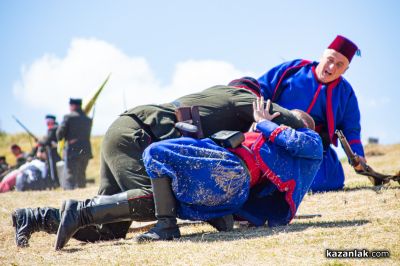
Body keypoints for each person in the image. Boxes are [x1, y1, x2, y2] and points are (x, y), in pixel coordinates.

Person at [13, 77, 301, 249]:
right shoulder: (240, 95)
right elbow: (292, 122)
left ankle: (36, 217)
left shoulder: (213, 104)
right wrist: (307, 138)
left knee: (110, 230)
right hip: (137, 137)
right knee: (160, 203)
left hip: (127, 132)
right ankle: (81, 210)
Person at [134, 98, 323, 242]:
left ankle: (166, 226)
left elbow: (293, 140)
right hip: (236, 191)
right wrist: (258, 128)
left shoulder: (311, 138)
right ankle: (217, 215)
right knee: (177, 196)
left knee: (156, 152)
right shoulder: (271, 142)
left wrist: (263, 122)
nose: (282, 121)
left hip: (233, 169)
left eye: (288, 118)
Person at [257, 35, 366, 192]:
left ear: (345, 70)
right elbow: (261, 88)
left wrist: (358, 156)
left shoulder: (346, 93)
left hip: (312, 148)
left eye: (339, 65)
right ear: (322, 55)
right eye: (330, 60)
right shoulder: (293, 69)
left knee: (328, 182)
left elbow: (351, 129)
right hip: (274, 136)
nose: (331, 67)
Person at [56, 98, 92, 189]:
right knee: (81, 176)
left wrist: (63, 138)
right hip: (86, 150)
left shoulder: (68, 117)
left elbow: (59, 134)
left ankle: (70, 198)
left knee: (70, 176)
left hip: (73, 150)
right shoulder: (88, 119)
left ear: (73, 105)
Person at [38, 114, 61, 187]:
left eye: (48, 121)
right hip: (58, 151)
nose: (46, 123)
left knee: (52, 168)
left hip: (53, 152)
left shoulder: (52, 128)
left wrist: (40, 141)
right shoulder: (57, 127)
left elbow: (47, 141)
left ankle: (54, 183)